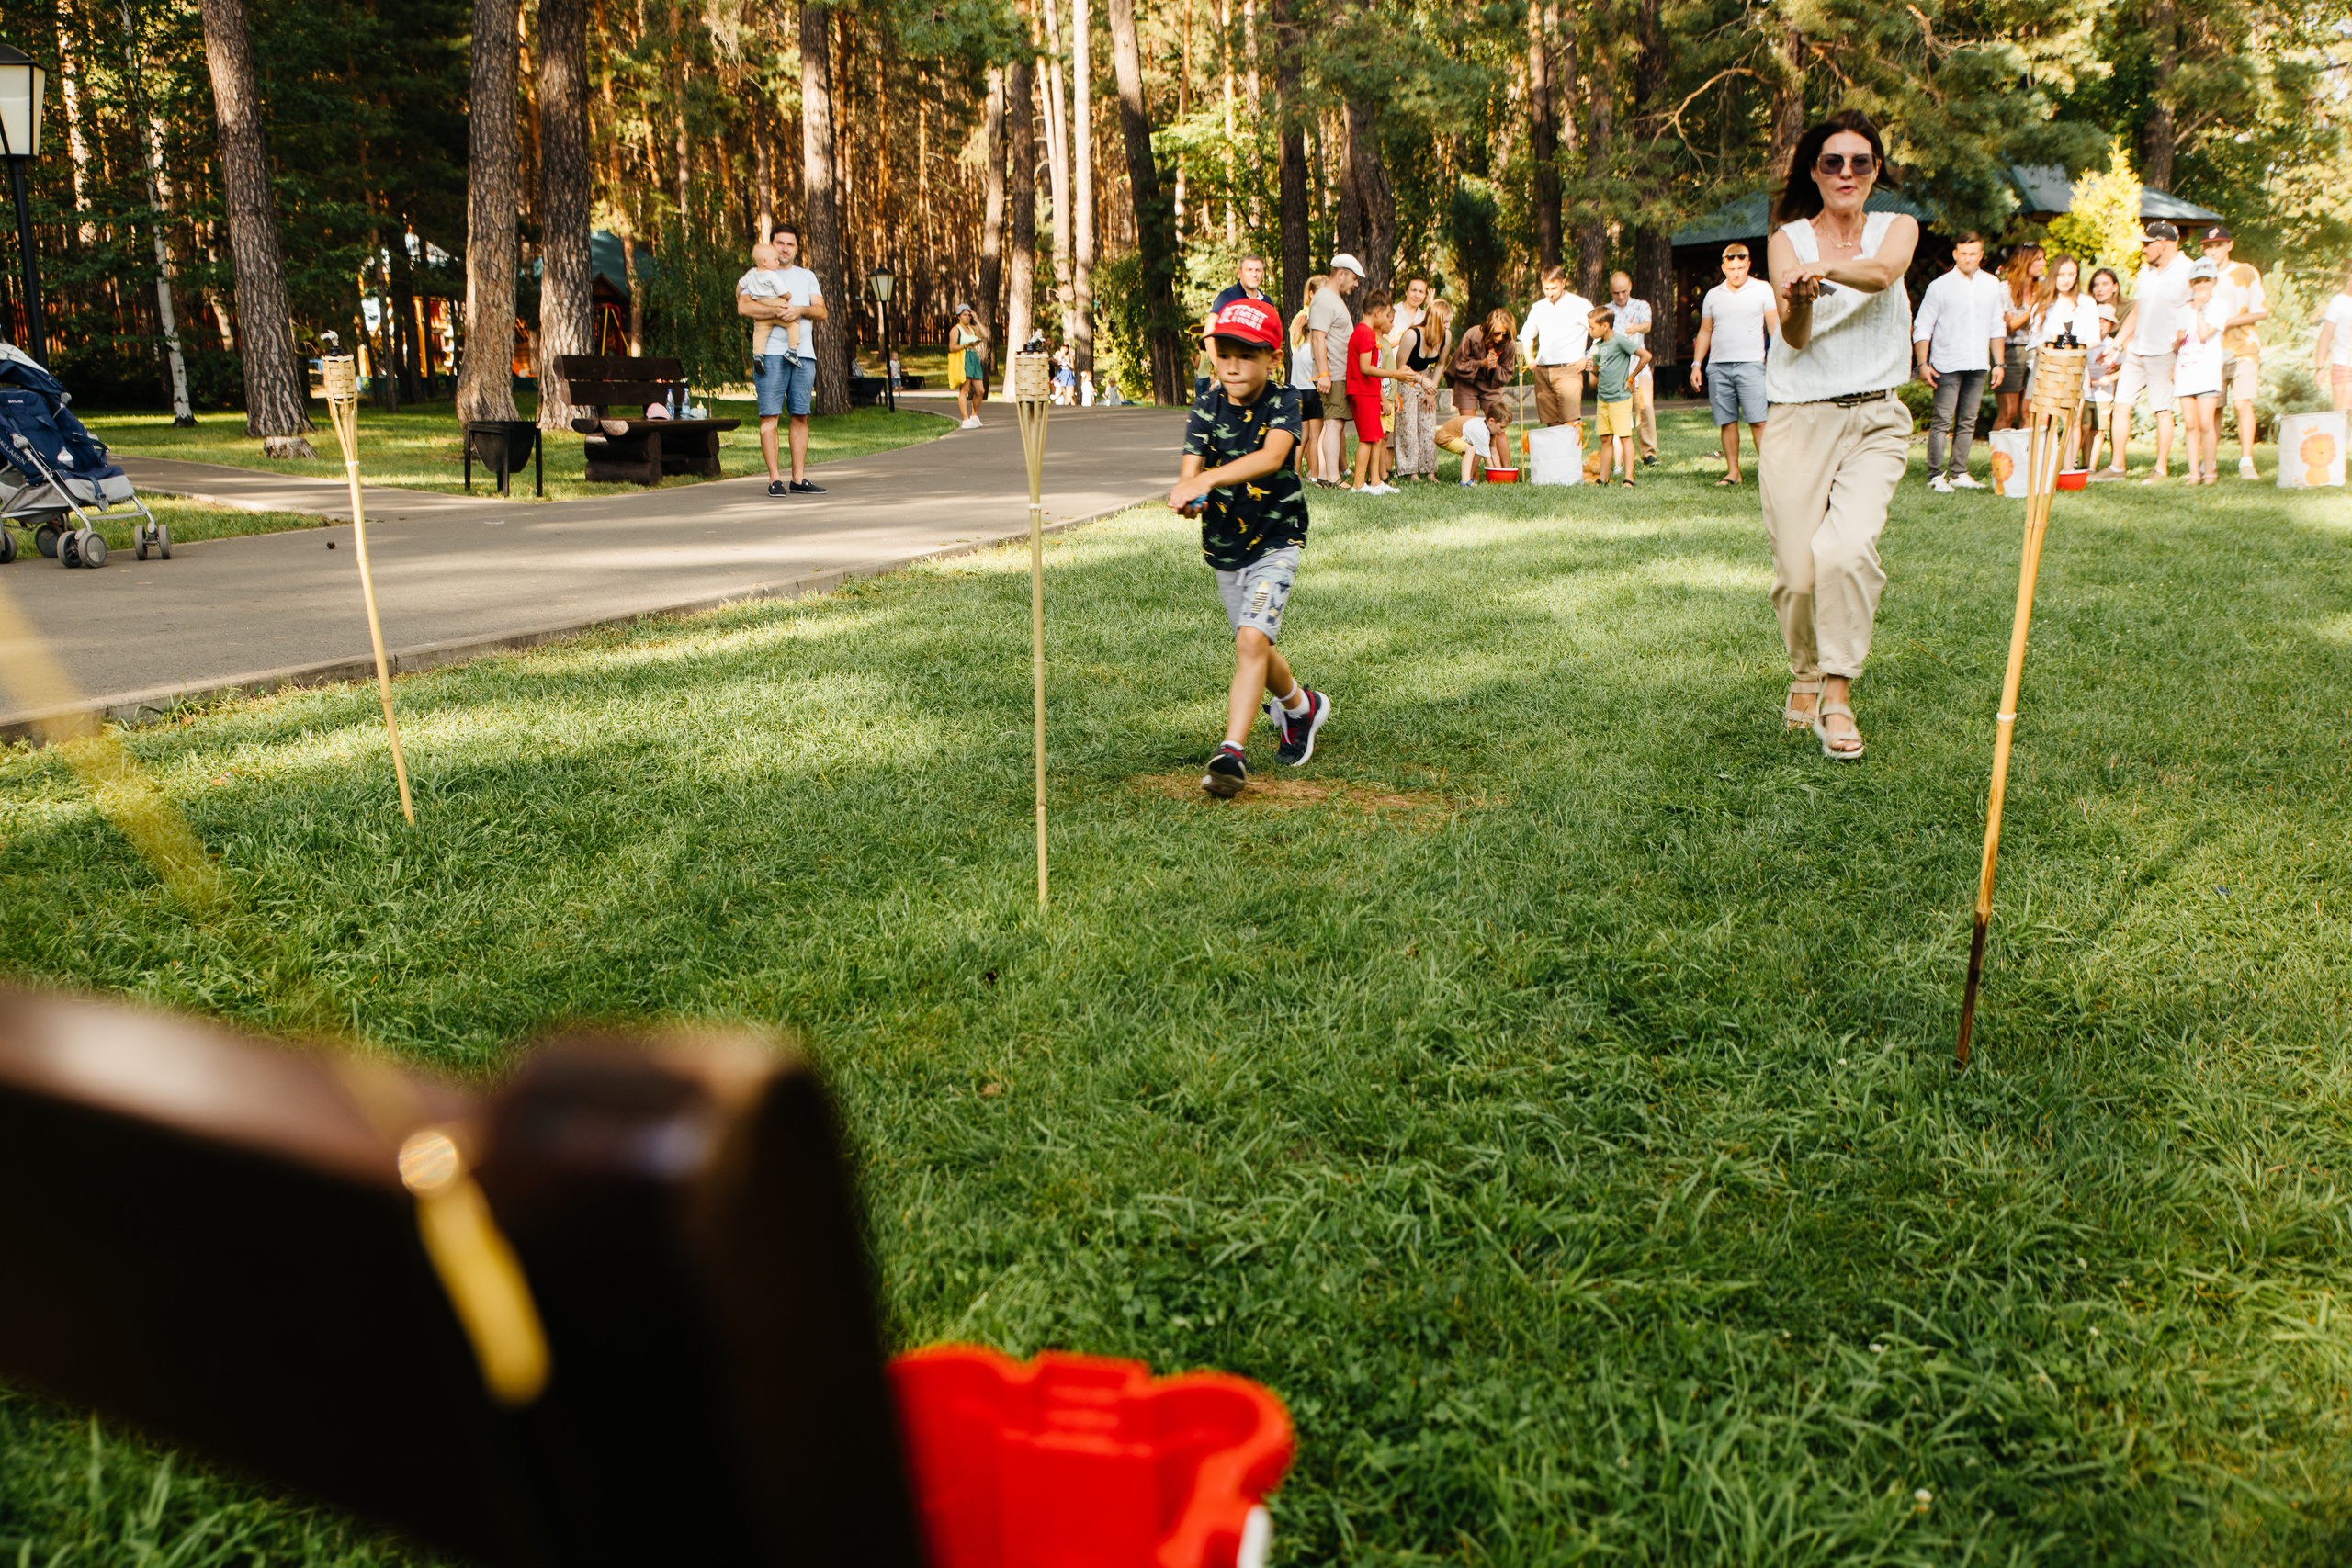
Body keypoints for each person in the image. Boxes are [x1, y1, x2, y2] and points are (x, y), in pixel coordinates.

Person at [1761, 109, 1919, 761]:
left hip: (1877, 417)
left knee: (1848, 550)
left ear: (1876, 170)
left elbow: (1883, 274)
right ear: (1814, 171)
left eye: (1860, 161)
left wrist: (1819, 271)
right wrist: (1796, 297)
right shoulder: (1784, 239)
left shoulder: (1896, 228)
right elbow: (1794, 337)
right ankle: (1803, 670)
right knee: (1799, 573)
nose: (1847, 172)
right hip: (1801, 416)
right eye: (1832, 162)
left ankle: (1836, 691)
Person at [1167, 297, 1331, 799]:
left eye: (1248, 354)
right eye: (1224, 352)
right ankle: (1302, 708)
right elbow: (1190, 476)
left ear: (1272, 359)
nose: (1233, 365)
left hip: (1277, 541)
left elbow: (1274, 455)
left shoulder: (1285, 401)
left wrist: (1209, 479)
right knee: (1256, 643)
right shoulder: (1205, 407)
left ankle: (1231, 754)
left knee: (1249, 643)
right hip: (1225, 547)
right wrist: (1191, 500)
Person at [2093, 221, 2195, 482]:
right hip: (2136, 350)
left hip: (2164, 352)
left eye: (2147, 244)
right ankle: (2117, 468)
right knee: (2121, 406)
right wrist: (2116, 347)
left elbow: (2193, 313)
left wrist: (2180, 353)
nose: (2143, 249)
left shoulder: (2188, 270)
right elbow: (2137, 312)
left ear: (2163, 243)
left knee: (2162, 409)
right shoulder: (2146, 272)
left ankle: (2160, 469)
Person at [734, 229, 829, 498]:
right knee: (770, 415)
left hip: (803, 354)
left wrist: (798, 309)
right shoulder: (758, 273)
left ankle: (798, 478)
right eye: (780, 244)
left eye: (791, 244)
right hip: (770, 354)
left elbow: (820, 310)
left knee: (800, 415)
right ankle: (775, 479)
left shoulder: (806, 276)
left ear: (797, 248)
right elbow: (743, 307)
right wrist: (776, 311)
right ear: (771, 246)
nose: (785, 249)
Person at [1911, 232, 2005, 493]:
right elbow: (1922, 327)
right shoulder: (1939, 286)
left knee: (1968, 420)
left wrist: (1999, 363)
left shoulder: (1991, 284)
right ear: (1954, 254)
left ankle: (1959, 472)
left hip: (1978, 362)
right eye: (1963, 253)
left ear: (1981, 255)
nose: (1967, 258)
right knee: (1942, 420)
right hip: (1946, 362)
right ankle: (1935, 474)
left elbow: (1997, 325)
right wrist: (1922, 363)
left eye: (1973, 253)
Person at [1690, 243, 1774, 485]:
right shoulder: (1713, 295)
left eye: (1741, 267)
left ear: (1748, 266)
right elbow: (1705, 331)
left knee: (1759, 420)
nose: (1737, 272)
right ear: (1723, 268)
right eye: (1732, 268)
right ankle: (1733, 472)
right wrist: (1696, 364)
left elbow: (1773, 327)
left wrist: (1777, 359)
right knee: (1727, 421)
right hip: (1718, 366)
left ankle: (1770, 475)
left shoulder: (1762, 289)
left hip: (1752, 364)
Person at [2202, 226, 2269, 478]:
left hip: (2244, 348)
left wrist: (2229, 322)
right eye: (2208, 246)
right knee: (2214, 409)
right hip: (2211, 353)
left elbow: (2262, 311)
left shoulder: (2245, 272)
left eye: (2218, 245)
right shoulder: (2201, 276)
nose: (2213, 250)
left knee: (2242, 403)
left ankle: (2246, 461)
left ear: (2229, 245)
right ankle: (2209, 463)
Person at [1347, 290, 1418, 493]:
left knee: (1375, 436)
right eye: (1388, 316)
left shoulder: (1364, 332)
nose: (1390, 321)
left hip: (1368, 390)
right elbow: (1365, 367)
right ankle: (1359, 485)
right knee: (1367, 438)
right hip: (1362, 390)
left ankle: (1376, 482)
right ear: (1377, 313)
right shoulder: (1366, 333)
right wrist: (1396, 374)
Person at [1307, 255, 1363, 488]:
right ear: (1340, 273)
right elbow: (1318, 338)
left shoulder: (1333, 298)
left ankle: (1326, 475)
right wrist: (1324, 374)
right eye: (1353, 278)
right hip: (1333, 373)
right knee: (1333, 424)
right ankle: (1332, 478)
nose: (1355, 284)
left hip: (1339, 372)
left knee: (1334, 424)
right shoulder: (1324, 299)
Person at [2033, 254, 2092, 469]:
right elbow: (2035, 339)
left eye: (2071, 274)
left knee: (2072, 417)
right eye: (2061, 274)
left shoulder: (2086, 303)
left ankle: (2068, 467)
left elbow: (2093, 338)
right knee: (2044, 418)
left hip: (2076, 368)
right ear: (2053, 276)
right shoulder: (2043, 304)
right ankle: (2043, 465)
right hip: (2048, 368)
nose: (2066, 279)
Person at [1517, 265, 1594, 428]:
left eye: (1554, 288)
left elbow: (1600, 335)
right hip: (1543, 371)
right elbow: (1526, 335)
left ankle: (1571, 454)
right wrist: (1530, 360)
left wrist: (1587, 359)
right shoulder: (1538, 307)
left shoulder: (1580, 305)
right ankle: (1555, 454)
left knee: (1571, 422)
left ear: (1563, 283)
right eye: (1546, 289)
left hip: (1569, 369)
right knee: (1551, 423)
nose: (1550, 293)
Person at [2173, 258, 2228, 485]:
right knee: (2191, 424)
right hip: (2186, 371)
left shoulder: (2219, 306)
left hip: (2207, 372)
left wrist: (2199, 309)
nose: (2202, 285)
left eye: (2206, 280)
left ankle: (2210, 471)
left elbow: (2205, 333)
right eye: (2197, 281)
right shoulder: (2183, 309)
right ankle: (2194, 472)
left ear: (2214, 281)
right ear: (2191, 283)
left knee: (2206, 423)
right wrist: (2176, 341)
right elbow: (2177, 344)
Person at [1587, 305, 1649, 485]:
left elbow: (1645, 356)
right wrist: (1593, 369)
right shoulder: (1598, 347)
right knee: (1606, 438)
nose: (1590, 331)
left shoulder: (1620, 341)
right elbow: (1601, 371)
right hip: (1603, 399)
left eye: (1592, 327)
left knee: (1624, 437)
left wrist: (1631, 377)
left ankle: (1629, 477)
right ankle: (1603, 478)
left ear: (1605, 326)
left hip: (1619, 400)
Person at [1604, 272, 1658, 465]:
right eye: (1616, 292)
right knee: (1618, 413)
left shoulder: (1641, 305)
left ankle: (1649, 453)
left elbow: (1647, 325)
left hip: (1639, 367)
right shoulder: (1606, 310)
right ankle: (1617, 457)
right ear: (1610, 291)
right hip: (1617, 370)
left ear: (1630, 287)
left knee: (1645, 408)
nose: (1620, 296)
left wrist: (1636, 328)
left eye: (1624, 291)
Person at [1395, 296, 1448, 481]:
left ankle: (1430, 470)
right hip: (1407, 378)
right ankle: (1410, 471)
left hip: (1427, 379)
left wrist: (1431, 389)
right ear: (1434, 320)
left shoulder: (1445, 337)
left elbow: (1440, 364)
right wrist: (1420, 380)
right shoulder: (1412, 335)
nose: (1448, 327)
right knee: (1408, 426)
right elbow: (1399, 365)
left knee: (1428, 425)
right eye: (1445, 322)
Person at [1992, 243, 2044, 431]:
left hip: (2036, 352)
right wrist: (2033, 309)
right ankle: (1999, 458)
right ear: (2025, 261)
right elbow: (2009, 326)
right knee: (2009, 412)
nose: (2043, 263)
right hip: (2011, 351)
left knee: (2028, 412)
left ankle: (2025, 459)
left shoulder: (2043, 286)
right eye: (2038, 259)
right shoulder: (2005, 288)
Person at [1287, 277, 1329, 480]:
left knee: (1301, 437)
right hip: (1313, 393)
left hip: (1297, 393)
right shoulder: (1314, 352)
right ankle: (1315, 472)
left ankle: (1296, 471)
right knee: (1316, 436)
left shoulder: (1297, 351)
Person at [2082, 266, 2123, 471]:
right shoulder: (2087, 342)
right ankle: (2078, 461)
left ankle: (2092, 467)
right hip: (2086, 392)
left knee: (2099, 429)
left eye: (2106, 322)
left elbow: (2125, 365)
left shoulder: (2113, 344)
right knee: (2083, 427)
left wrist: (2112, 376)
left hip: (2105, 394)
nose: (2101, 325)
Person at [1447, 308, 1517, 425]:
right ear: (1489, 328)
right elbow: (1459, 365)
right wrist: (1481, 363)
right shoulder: (1473, 335)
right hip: (1466, 383)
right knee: (1470, 426)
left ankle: (1494, 445)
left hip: (1490, 384)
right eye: (1497, 333)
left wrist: (1495, 366)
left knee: (1498, 426)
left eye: (1504, 334)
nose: (1500, 338)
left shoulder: (1508, 344)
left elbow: (1507, 373)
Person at [2312, 260, 2352, 412]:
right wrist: (2320, 367)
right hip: (2345, 366)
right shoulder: (2339, 302)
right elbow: (2325, 336)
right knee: (2343, 418)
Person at [1434, 407, 1502, 484]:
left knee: (1478, 452)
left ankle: (1471, 477)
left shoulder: (1490, 430)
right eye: (1501, 427)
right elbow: (1487, 461)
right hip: (1445, 437)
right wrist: (1495, 479)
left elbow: (1494, 453)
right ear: (1491, 421)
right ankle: (1465, 481)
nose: (1502, 431)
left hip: (1456, 436)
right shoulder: (1482, 432)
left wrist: (1501, 473)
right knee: (1470, 450)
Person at [950, 305, 988, 428]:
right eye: (964, 315)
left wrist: (977, 320)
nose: (967, 317)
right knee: (965, 390)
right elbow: (952, 347)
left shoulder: (972, 328)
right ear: (959, 316)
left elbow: (985, 335)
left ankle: (974, 416)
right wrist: (966, 345)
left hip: (974, 357)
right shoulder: (956, 330)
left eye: (969, 315)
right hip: (964, 357)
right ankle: (965, 419)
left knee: (980, 390)